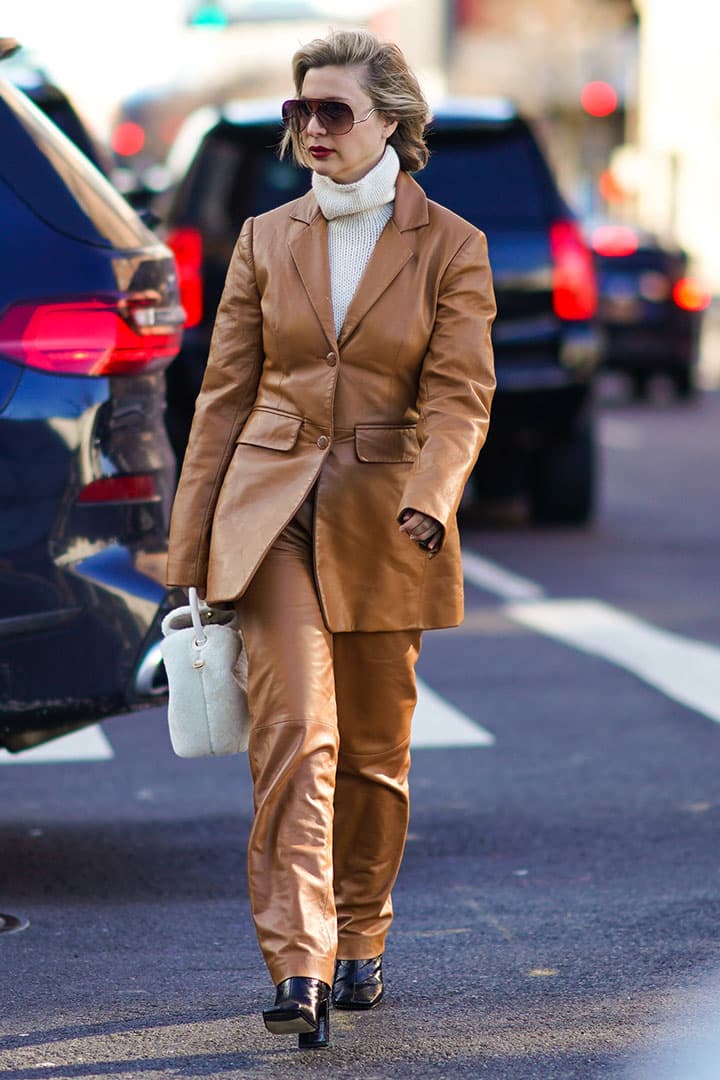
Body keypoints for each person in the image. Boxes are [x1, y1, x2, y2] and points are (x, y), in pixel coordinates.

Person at [166, 28, 496, 1050]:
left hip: (388, 519)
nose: (311, 127)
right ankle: (298, 964)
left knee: (373, 759)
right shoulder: (267, 238)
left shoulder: (452, 245)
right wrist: (189, 552)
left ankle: (362, 931)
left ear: (391, 120)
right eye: (299, 111)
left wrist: (432, 496)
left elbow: (460, 395)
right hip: (269, 514)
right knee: (296, 737)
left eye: (334, 111)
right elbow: (222, 399)